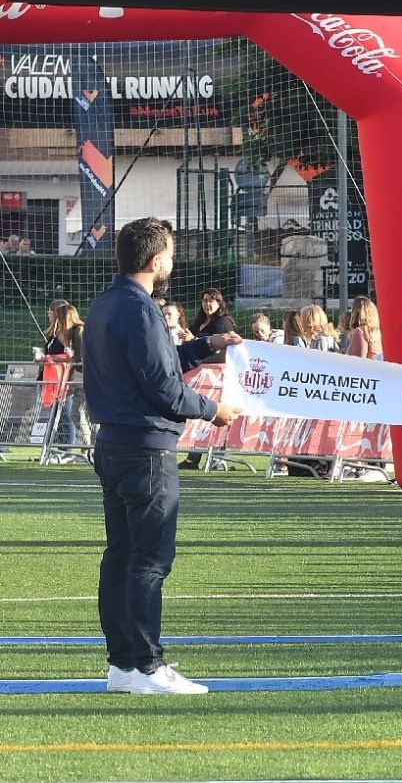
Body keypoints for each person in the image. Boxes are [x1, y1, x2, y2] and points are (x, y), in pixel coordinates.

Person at [83, 217, 242, 695]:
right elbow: (163, 388)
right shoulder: (141, 309)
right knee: (149, 560)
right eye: (170, 252)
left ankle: (124, 666)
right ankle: (149, 667)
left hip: (113, 443)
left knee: (122, 556)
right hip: (146, 448)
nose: (173, 260)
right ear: (156, 261)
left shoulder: (107, 303)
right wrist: (214, 410)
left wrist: (205, 346)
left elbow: (158, 365)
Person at [179, 288, 236, 470]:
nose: (207, 304)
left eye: (212, 300)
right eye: (204, 300)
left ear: (220, 303)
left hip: (218, 380)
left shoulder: (223, 323)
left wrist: (195, 340)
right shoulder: (199, 323)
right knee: (200, 418)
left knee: (217, 417)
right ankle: (192, 459)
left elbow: (226, 353)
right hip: (200, 381)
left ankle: (218, 459)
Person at [46, 303, 92, 451]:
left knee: (85, 413)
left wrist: (60, 359)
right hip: (76, 377)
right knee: (76, 413)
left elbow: (79, 358)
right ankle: (89, 446)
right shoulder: (69, 333)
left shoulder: (79, 331)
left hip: (87, 378)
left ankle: (91, 446)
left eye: (58, 318)